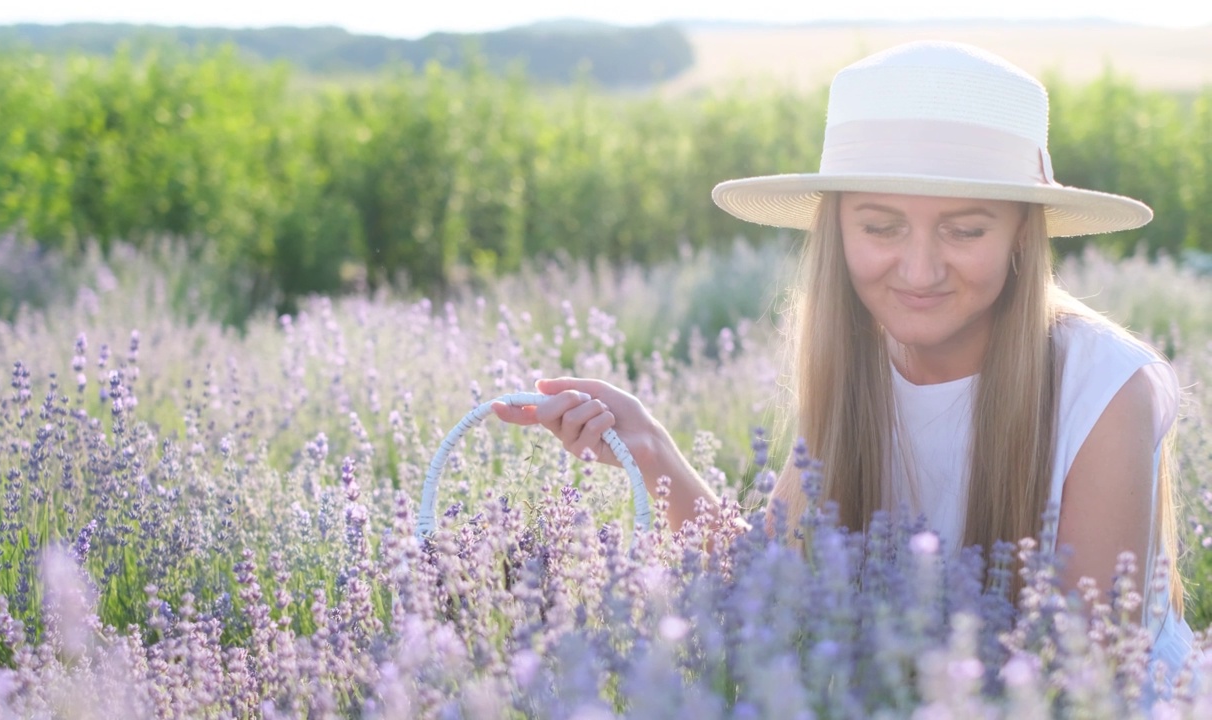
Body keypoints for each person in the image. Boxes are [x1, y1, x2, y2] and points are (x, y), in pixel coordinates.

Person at [491, 41, 1193, 675]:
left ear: (1021, 234)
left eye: (965, 229)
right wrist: (647, 447)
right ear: (838, 231)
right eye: (880, 226)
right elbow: (768, 579)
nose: (919, 271)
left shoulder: (1102, 387)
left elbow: (1090, 673)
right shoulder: (856, 361)